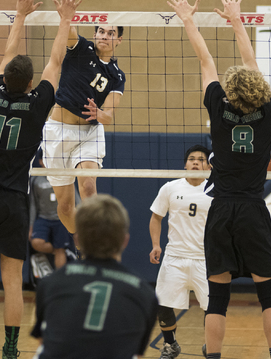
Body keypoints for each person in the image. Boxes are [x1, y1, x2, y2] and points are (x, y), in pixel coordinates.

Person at [0, 0, 83, 359]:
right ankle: (10, 351)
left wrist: (21, 14)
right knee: (12, 280)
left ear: (6, 79)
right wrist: (65, 20)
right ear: (30, 84)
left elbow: (8, 55)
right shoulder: (39, 103)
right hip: (13, 200)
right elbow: (56, 63)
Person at [168, 0, 271, 359]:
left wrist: (188, 19)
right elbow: (250, 62)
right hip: (253, 208)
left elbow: (206, 61)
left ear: (229, 91)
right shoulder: (265, 109)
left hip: (220, 211)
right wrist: (237, 20)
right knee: (270, 295)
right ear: (258, 90)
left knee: (217, 298)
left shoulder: (218, 109)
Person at [31, 194, 158, 359]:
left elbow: (44, 340)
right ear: (125, 241)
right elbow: (137, 353)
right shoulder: (145, 294)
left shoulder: (49, 283)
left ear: (77, 239)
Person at [41, 18, 126, 235]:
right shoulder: (81, 48)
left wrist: (100, 114)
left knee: (88, 187)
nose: (104, 36)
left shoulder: (116, 76)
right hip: (57, 132)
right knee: (66, 207)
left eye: (110, 33)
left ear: (119, 40)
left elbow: (109, 116)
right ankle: (79, 238)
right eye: (101, 31)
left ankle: (94, 245)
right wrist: (67, 14)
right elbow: (68, 30)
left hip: (89, 133)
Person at [149, 144, 212, 359]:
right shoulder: (170, 187)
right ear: (185, 164)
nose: (196, 162)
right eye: (192, 159)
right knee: (163, 305)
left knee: (212, 308)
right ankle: (170, 345)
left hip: (205, 259)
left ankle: (211, 344)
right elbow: (156, 217)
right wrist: (156, 245)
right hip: (174, 257)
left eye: (201, 159)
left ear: (209, 165)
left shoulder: (217, 190)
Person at [30, 149, 78, 271]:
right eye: (46, 159)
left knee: (59, 250)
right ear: (40, 161)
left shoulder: (64, 176)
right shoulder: (36, 179)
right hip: (43, 218)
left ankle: (60, 280)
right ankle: (63, 250)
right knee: (36, 242)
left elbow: (77, 201)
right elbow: (33, 205)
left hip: (61, 219)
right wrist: (31, 226)